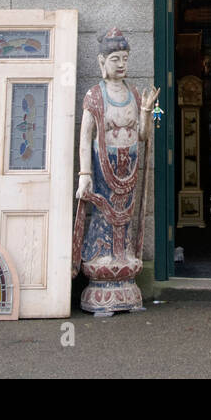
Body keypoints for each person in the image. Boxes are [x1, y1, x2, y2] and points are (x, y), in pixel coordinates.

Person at [73, 28, 160, 315]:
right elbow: (85, 137)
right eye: (115, 59)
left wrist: (146, 112)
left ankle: (124, 264)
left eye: (125, 58)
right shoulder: (95, 95)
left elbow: (143, 136)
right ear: (101, 62)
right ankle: (102, 261)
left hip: (130, 163)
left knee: (126, 216)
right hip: (102, 165)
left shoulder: (134, 93)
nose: (121, 64)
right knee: (104, 215)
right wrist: (84, 174)